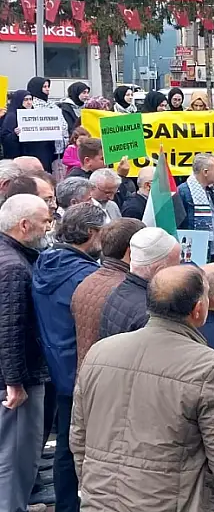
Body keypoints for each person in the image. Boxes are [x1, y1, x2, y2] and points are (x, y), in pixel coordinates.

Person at [73, 265, 214, 512]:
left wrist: (93, 487)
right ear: (198, 309)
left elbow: (79, 436)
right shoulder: (210, 367)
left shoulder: (100, 351)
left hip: (101, 501)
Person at [31, 203, 104, 512]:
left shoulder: (45, 262)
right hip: (82, 369)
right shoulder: (86, 276)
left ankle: (65, 505)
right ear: (90, 233)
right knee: (85, 447)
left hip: (59, 368)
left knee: (65, 445)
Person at [0, 195, 53, 512]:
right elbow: (10, 329)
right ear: (24, 225)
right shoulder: (14, 268)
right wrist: (15, 382)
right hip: (19, 380)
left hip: (13, 375)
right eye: (45, 221)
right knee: (17, 459)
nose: (49, 227)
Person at [72, 218, 145, 368]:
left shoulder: (86, 281)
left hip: (87, 376)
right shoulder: (126, 290)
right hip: (108, 379)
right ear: (131, 251)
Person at [99, 227, 182, 339]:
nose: (181, 270)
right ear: (160, 270)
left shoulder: (117, 292)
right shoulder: (151, 312)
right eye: (177, 263)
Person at [179, 153, 214, 263]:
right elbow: (178, 224)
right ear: (205, 172)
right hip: (196, 253)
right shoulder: (183, 192)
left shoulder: (212, 190)